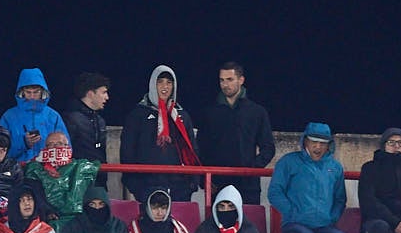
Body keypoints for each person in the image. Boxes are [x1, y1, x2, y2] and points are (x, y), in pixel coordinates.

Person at [268, 122, 350, 233]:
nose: (318, 147)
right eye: (314, 142)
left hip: (324, 226)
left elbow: (340, 198)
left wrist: (332, 218)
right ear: (305, 141)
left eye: (322, 143)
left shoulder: (335, 167)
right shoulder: (289, 161)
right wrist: (292, 213)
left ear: (329, 145)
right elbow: (275, 192)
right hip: (294, 224)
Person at [196, 61, 275, 206]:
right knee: (218, 227)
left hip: (248, 187)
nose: (225, 84)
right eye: (222, 80)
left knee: (250, 227)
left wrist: (251, 169)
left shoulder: (257, 112)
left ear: (241, 80)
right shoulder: (209, 113)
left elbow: (268, 148)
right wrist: (204, 179)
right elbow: (200, 148)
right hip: (218, 184)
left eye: (230, 79)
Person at [120, 65, 199, 203]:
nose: (165, 86)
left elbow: (192, 149)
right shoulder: (137, 115)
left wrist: (192, 183)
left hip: (179, 188)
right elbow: (127, 151)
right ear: (152, 84)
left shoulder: (181, 116)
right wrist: (135, 186)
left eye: (169, 82)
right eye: (160, 82)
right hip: (146, 187)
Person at [24, 131, 100, 232]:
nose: (55, 147)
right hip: (47, 218)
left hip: (76, 219)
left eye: (59, 144)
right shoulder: (36, 169)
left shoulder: (79, 167)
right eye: (50, 144)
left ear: (67, 146)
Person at [0, 68, 69, 163]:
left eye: (36, 92)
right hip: (17, 171)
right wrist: (24, 143)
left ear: (43, 92)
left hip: (48, 172)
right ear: (22, 92)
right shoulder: (9, 116)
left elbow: (67, 148)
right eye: (28, 92)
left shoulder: (53, 116)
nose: (32, 96)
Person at [62, 72, 110, 185]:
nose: (107, 97)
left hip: (99, 179)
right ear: (90, 94)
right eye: (103, 92)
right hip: (78, 181)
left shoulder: (100, 120)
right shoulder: (70, 119)